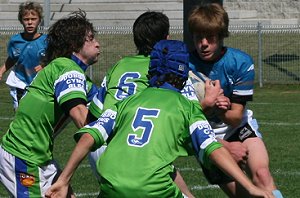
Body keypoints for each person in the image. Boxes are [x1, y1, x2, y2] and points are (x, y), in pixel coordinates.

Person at [45, 39, 273, 198]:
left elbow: (90, 135)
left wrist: (64, 179)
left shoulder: (128, 101)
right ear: (183, 72)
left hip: (111, 184)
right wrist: (247, 186)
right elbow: (211, 147)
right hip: (154, 188)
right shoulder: (187, 107)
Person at [88, 11, 194, 198]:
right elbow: (189, 116)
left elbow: (94, 112)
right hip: (133, 149)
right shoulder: (163, 71)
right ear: (166, 39)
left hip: (100, 147)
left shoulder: (119, 65)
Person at [187, 3, 283, 198]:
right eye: (198, 38)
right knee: (245, 196)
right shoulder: (184, 65)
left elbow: (235, 117)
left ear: (222, 36)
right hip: (206, 135)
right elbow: (184, 119)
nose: (203, 43)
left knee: (262, 175)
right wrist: (209, 103)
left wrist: (221, 110)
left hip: (237, 127)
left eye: (210, 37)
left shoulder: (240, 62)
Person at [0, 10, 99, 197]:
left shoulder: (73, 75)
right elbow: (83, 120)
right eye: (91, 39)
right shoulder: (66, 69)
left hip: (40, 157)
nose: (97, 44)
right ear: (74, 44)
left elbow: (103, 104)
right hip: (24, 157)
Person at [0, 1, 47, 112]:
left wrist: (45, 65)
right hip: (20, 81)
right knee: (21, 113)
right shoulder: (15, 41)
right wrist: (1, 71)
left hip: (39, 83)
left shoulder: (46, 41)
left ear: (39, 20)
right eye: (26, 19)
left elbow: (55, 59)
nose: (30, 22)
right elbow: (12, 58)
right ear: (21, 21)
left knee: (37, 113)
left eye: (33, 19)